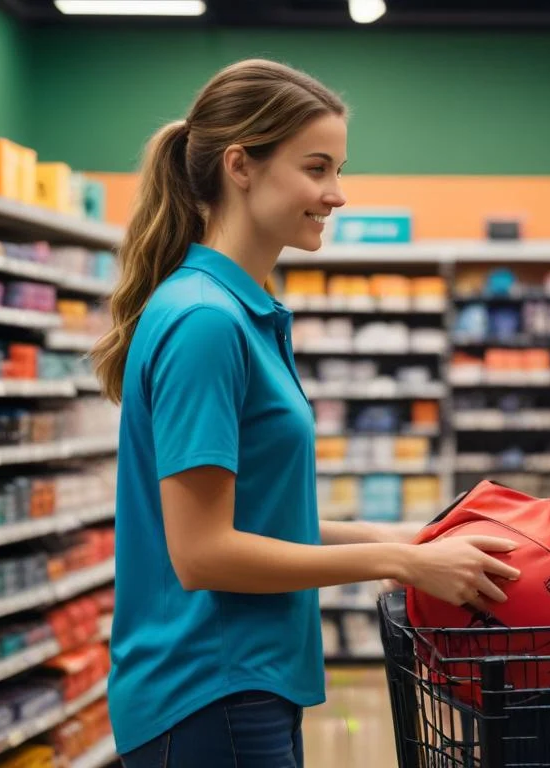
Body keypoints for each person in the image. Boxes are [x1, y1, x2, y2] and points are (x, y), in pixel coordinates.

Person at [91, 59, 521, 767]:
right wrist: (398, 561)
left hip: (244, 683)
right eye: (316, 168)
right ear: (241, 166)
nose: (337, 194)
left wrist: (396, 537)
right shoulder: (205, 321)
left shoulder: (238, 310)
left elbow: (255, 517)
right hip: (208, 688)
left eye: (339, 170)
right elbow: (202, 554)